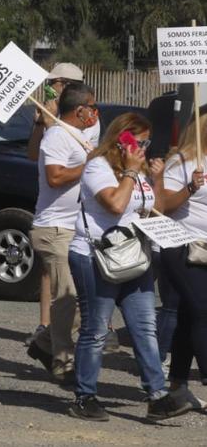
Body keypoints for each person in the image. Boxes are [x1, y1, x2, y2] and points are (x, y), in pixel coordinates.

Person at [67, 112, 191, 421]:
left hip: (135, 257)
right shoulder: (98, 167)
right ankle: (85, 396)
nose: (144, 148)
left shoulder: (138, 171)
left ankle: (157, 395)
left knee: (145, 327)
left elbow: (155, 210)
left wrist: (156, 178)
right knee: (95, 329)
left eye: (147, 142)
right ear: (122, 140)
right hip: (97, 257)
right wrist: (132, 173)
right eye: (139, 141)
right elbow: (115, 204)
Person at [26, 84, 98, 384]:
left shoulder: (80, 138)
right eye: (92, 107)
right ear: (79, 110)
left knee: (82, 297)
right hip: (54, 228)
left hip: (75, 229)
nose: (95, 112)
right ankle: (63, 363)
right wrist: (88, 167)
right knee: (67, 297)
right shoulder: (56, 135)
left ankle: (43, 344)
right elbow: (55, 177)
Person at [155, 111, 207, 404]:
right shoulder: (181, 162)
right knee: (203, 311)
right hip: (181, 248)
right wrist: (191, 188)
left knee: (189, 318)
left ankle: (177, 386)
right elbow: (162, 206)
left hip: (205, 250)